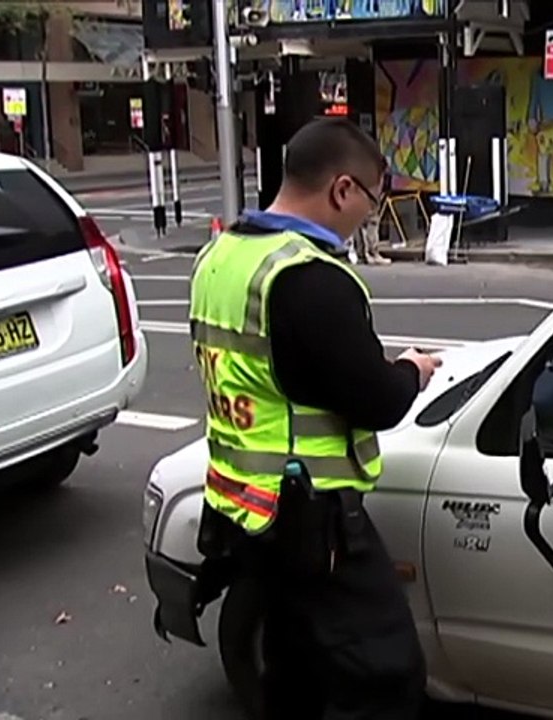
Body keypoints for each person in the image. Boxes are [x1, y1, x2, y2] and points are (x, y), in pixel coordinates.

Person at [188, 116, 441, 719]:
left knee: (293, 673)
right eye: (373, 202)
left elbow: (280, 374)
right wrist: (411, 369)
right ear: (343, 190)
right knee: (385, 679)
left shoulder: (222, 257)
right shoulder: (310, 278)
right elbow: (376, 399)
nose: (369, 217)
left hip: (242, 514)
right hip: (314, 522)